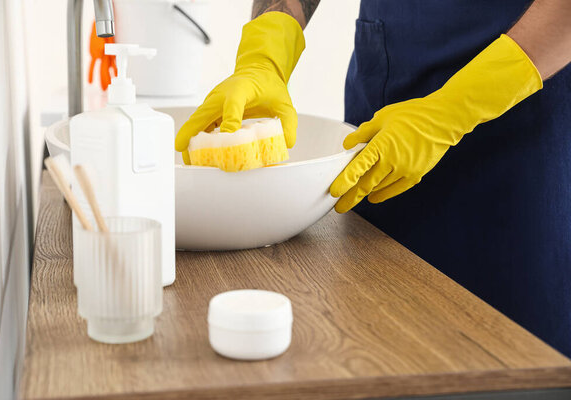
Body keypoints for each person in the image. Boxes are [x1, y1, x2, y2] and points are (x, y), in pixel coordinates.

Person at [175, 0, 571, 357]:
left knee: (508, 360)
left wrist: (453, 110)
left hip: (518, 133)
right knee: (376, 345)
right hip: (384, 110)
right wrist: (266, 53)